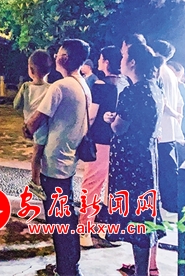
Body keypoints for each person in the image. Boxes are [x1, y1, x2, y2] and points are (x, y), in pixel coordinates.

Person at [25, 39, 91, 276]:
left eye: (59, 54)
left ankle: (66, 270)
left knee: (59, 220)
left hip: (54, 161)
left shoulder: (60, 87)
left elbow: (34, 122)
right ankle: (70, 265)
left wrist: (26, 128)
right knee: (66, 216)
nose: (55, 57)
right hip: (69, 159)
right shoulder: (83, 85)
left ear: (65, 58)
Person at [103, 40, 165, 276]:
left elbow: (120, 128)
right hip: (146, 159)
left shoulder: (132, 92)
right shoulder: (154, 88)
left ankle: (141, 272)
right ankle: (144, 269)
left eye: (123, 56)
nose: (120, 61)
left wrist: (112, 121)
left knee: (135, 217)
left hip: (130, 163)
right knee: (144, 214)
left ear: (133, 62)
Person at [78, 46, 128, 248]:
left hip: (100, 141)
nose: (98, 61)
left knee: (92, 186)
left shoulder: (99, 86)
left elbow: (91, 116)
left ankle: (85, 230)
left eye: (100, 58)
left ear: (106, 62)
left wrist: (82, 134)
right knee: (113, 188)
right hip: (120, 142)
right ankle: (109, 229)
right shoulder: (125, 84)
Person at [13, 50, 52, 201]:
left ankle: (35, 181)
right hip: (44, 126)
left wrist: (21, 91)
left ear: (30, 69)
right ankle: (36, 181)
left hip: (29, 124)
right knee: (39, 152)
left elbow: (16, 105)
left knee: (37, 153)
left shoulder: (26, 87)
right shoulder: (50, 88)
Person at [150, 40, 184, 215]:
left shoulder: (157, 71)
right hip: (170, 130)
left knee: (160, 170)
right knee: (169, 169)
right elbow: (180, 102)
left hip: (160, 129)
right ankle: (171, 204)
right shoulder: (170, 73)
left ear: (155, 51)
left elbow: (160, 100)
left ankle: (164, 205)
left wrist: (172, 114)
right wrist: (177, 119)